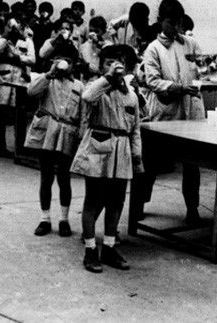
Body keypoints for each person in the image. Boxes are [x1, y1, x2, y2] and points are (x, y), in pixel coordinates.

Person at [71, 44, 143, 272]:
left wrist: (137, 156)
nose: (114, 66)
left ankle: (110, 247)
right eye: (109, 62)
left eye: (119, 62)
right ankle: (91, 249)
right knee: (93, 200)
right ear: (101, 66)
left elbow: (136, 129)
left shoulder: (130, 95)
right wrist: (108, 79)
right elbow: (87, 96)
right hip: (99, 147)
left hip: (121, 150)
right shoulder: (97, 88)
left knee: (117, 200)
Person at [133, 0, 205, 224]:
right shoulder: (153, 49)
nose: (176, 27)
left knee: (192, 166)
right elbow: (153, 81)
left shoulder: (190, 44)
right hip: (165, 113)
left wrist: (209, 70)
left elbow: (202, 69)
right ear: (160, 21)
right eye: (171, 22)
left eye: (179, 22)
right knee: (151, 163)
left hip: (190, 113)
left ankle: (192, 209)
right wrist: (178, 88)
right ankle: (139, 205)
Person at [25, 41, 83, 237]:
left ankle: (64, 219)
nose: (64, 64)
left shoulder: (79, 85)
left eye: (69, 61)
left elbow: (83, 114)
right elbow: (31, 91)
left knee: (64, 177)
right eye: (60, 60)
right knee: (46, 176)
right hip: (47, 132)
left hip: (67, 133)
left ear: (75, 64)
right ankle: (45, 218)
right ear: (52, 61)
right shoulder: (45, 79)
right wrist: (49, 74)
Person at [0, 17, 35, 157]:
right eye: (11, 26)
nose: (14, 30)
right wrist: (7, 35)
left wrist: (17, 58)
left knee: (19, 115)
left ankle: (20, 146)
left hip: (20, 78)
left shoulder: (27, 41)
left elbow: (32, 59)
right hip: (3, 79)